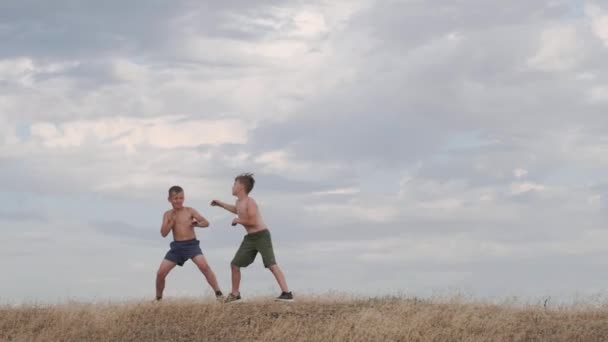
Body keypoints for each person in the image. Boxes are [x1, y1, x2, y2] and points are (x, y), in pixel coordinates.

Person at [211, 173, 293, 303]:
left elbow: (253, 221)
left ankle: (287, 294)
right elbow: (236, 209)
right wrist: (220, 204)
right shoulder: (239, 202)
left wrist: (239, 220)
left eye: (234, 184)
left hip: (262, 236)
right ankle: (235, 295)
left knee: (271, 264)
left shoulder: (250, 202)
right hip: (250, 238)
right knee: (235, 264)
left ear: (241, 187)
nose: (232, 186)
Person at [155, 185, 223, 301]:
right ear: (169, 199)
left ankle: (219, 294)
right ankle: (158, 299)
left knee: (204, 266)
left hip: (192, 245)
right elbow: (163, 233)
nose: (178, 201)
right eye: (175, 198)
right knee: (161, 273)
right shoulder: (167, 214)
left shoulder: (189, 210)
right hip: (177, 247)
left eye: (181, 198)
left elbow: (206, 223)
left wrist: (197, 224)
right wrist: (171, 222)